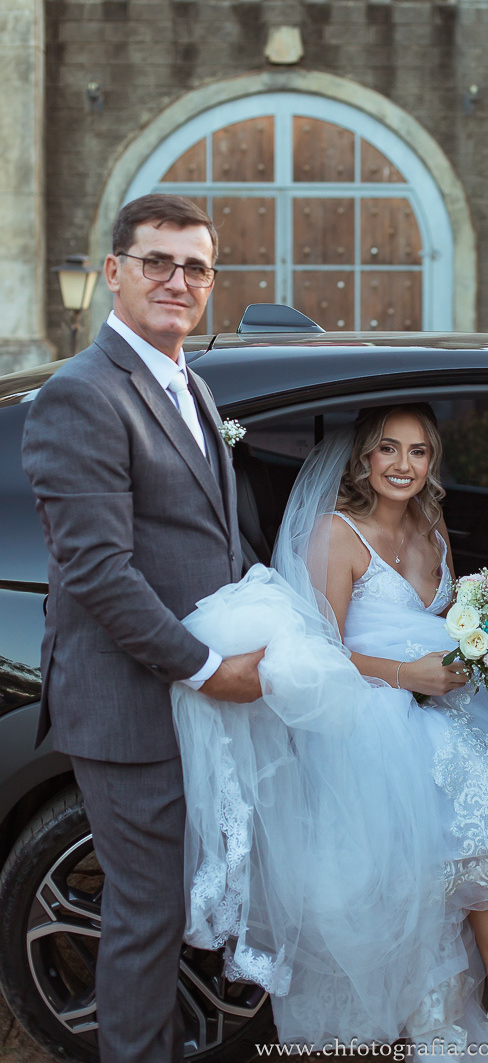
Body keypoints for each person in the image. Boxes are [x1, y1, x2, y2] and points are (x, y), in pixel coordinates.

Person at [171, 403, 488, 1052]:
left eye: (418, 452)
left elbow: (441, 619)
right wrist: (404, 676)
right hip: (361, 704)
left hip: (437, 696)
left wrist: (483, 645)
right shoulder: (336, 533)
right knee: (463, 774)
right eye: (388, 449)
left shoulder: (432, 522)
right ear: (364, 458)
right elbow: (318, 652)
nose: (403, 465)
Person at [21, 194, 265, 1063]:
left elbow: (205, 540)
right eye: (157, 261)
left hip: (184, 703)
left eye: (195, 267)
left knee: (171, 914)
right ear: (113, 272)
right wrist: (205, 667)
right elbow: (96, 570)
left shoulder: (188, 380)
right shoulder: (83, 395)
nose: (178, 280)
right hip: (131, 703)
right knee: (145, 917)